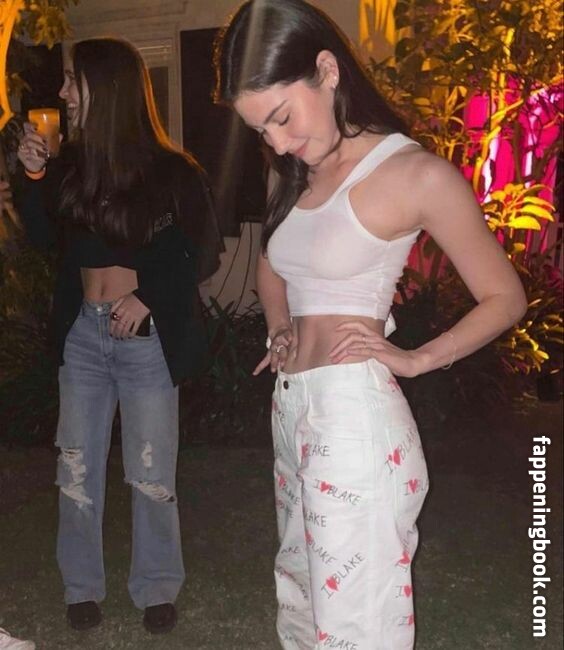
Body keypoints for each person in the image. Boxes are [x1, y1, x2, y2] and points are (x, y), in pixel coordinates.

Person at [214, 1, 527, 648]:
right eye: (261, 130)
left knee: (358, 625)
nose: (277, 143)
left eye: (282, 118)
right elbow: (273, 267)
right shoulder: (294, 171)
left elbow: (504, 297)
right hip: (292, 407)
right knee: (300, 601)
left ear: (327, 71)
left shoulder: (415, 174)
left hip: (354, 419)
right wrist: (281, 327)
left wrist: (418, 358)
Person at [12, 38, 221, 634]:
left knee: (151, 470)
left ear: (104, 88)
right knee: (76, 467)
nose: (63, 93)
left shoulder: (171, 171)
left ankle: (156, 587)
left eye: (72, 80)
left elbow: (201, 251)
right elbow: (45, 239)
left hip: (143, 338)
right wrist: (33, 174)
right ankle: (81, 587)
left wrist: (149, 294)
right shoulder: (71, 166)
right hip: (83, 335)